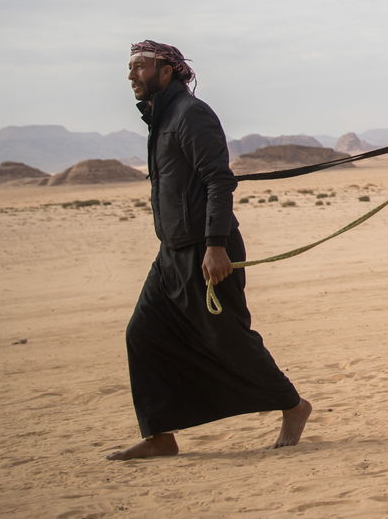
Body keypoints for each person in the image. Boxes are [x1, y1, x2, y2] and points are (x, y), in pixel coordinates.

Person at [107, 40, 310, 461]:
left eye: (139, 66)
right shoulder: (161, 119)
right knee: (143, 335)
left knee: (227, 336)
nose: (131, 75)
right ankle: (160, 435)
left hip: (205, 248)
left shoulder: (190, 114)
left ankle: (292, 405)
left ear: (166, 70)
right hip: (171, 252)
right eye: (129, 67)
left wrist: (216, 245)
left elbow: (218, 181)